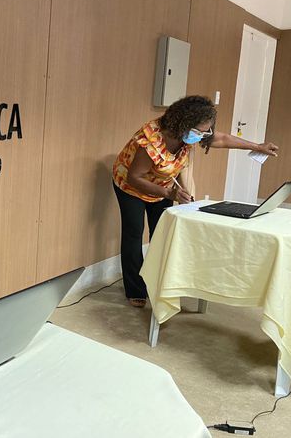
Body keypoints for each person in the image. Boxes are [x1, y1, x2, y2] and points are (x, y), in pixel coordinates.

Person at [112, 96, 278, 308]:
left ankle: (157, 282)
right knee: (134, 233)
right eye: (199, 131)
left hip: (163, 186)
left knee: (161, 233)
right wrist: (170, 193)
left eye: (205, 132)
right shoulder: (151, 140)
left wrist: (257, 146)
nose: (201, 136)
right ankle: (135, 290)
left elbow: (222, 139)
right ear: (183, 123)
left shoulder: (190, 134)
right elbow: (135, 178)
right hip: (131, 185)